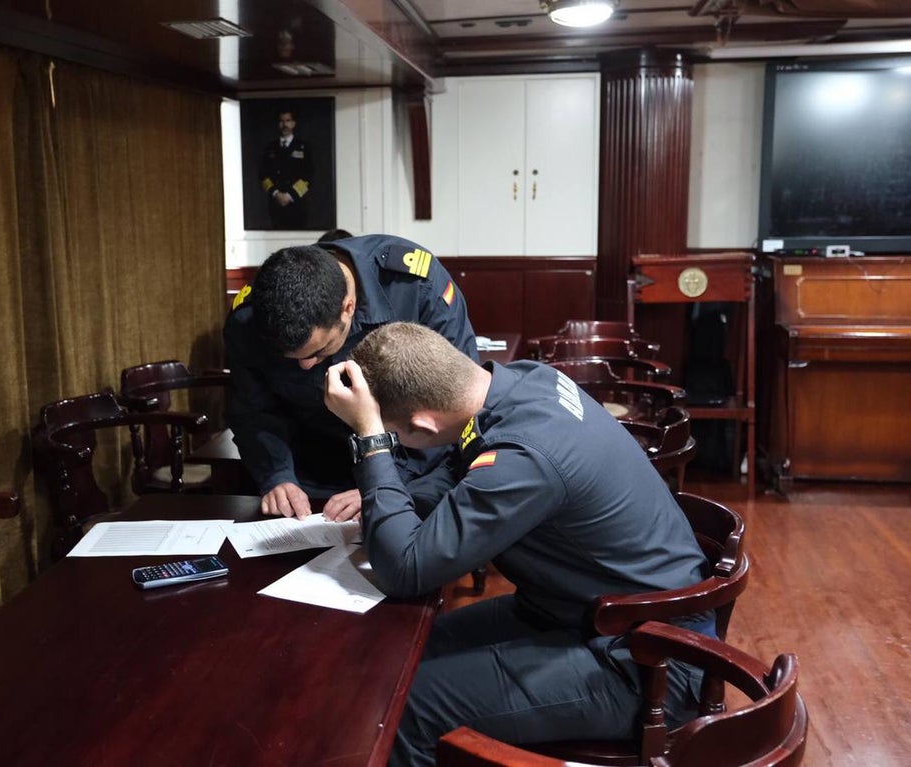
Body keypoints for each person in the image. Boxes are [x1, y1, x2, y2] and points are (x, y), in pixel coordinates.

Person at [323, 322, 714, 767]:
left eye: (396, 436)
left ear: (423, 424)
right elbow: (461, 465)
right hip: (580, 610)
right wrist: (391, 494)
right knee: (397, 655)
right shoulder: (524, 381)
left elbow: (405, 571)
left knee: (403, 707)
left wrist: (373, 448)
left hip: (645, 659)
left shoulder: (526, 458)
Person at [224, 235, 478, 522]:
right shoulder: (247, 319)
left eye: (319, 351)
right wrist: (277, 476)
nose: (306, 366)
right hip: (310, 472)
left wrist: (384, 481)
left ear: (348, 307)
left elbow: (454, 405)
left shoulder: (416, 287)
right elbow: (254, 412)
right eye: (291, 360)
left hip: (417, 463)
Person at [258, 109, 313, 229]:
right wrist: (276, 193)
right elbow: (263, 175)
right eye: (282, 121)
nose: (285, 125)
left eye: (288, 121)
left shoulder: (303, 146)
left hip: (297, 202)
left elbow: (309, 176)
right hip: (275, 203)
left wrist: (289, 196)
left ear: (293, 123)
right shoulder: (270, 147)